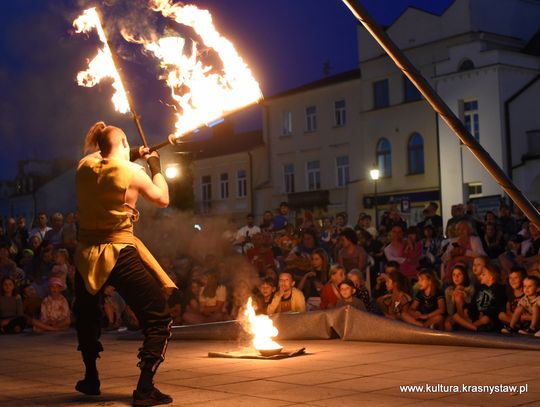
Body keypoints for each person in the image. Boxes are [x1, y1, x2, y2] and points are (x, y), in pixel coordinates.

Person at [73, 122, 176, 406]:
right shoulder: (134, 173)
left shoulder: (83, 166)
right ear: (121, 143)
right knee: (159, 317)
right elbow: (162, 199)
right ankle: (144, 388)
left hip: (85, 255)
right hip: (119, 252)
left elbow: (104, 158)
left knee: (87, 317)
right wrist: (155, 164)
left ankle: (91, 378)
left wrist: (134, 151)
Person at [452, 262, 507, 332]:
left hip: (488, 318)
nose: (480, 276)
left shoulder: (499, 289)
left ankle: (468, 327)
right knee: (456, 316)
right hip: (477, 316)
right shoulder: (480, 288)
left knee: (485, 319)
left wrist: (484, 313)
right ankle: (475, 328)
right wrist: (467, 309)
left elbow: (497, 307)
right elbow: (474, 303)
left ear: (491, 277)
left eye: (483, 274)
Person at [444, 264, 475, 331]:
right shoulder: (448, 290)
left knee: (458, 296)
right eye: (454, 275)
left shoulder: (470, 288)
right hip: (454, 315)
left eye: (459, 274)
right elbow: (450, 312)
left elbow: (471, 306)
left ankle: (464, 326)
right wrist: (453, 296)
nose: (456, 277)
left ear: (464, 275)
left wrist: (464, 294)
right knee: (447, 323)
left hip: (466, 314)